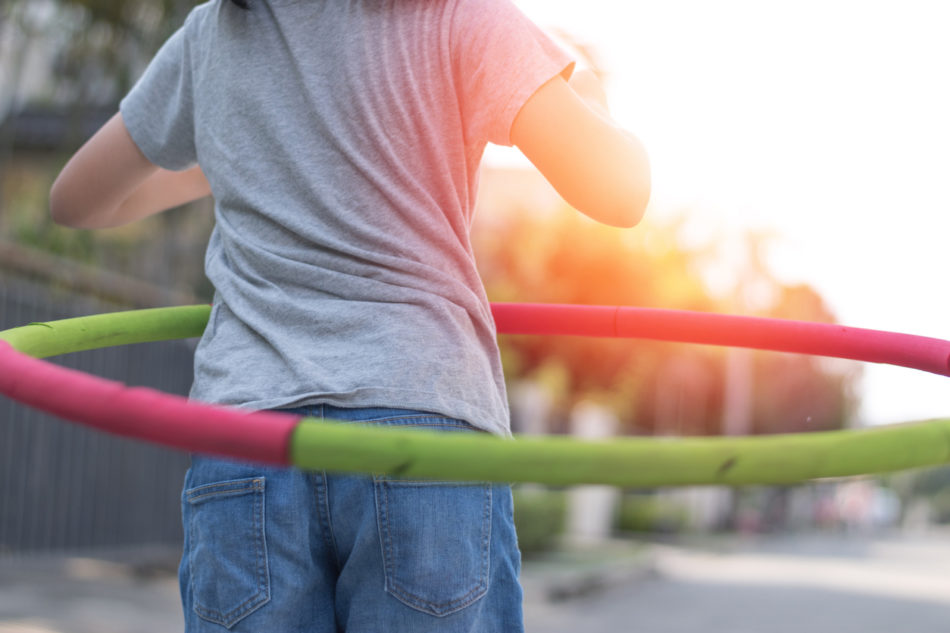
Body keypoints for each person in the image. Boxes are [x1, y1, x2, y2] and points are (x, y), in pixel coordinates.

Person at [49, 0, 650, 631]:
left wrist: (234, 158)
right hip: (422, 428)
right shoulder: (459, 17)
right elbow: (621, 193)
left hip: (248, 436)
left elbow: (76, 200)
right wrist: (593, 96)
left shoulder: (215, 32)